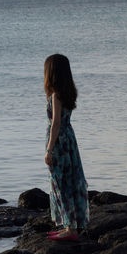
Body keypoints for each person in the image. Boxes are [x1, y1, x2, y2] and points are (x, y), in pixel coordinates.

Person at [44, 54, 90, 241]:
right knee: (70, 181)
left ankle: (70, 229)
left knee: (61, 183)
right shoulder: (68, 92)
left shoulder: (55, 95)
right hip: (69, 140)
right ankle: (70, 226)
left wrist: (48, 150)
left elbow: (55, 124)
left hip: (60, 143)